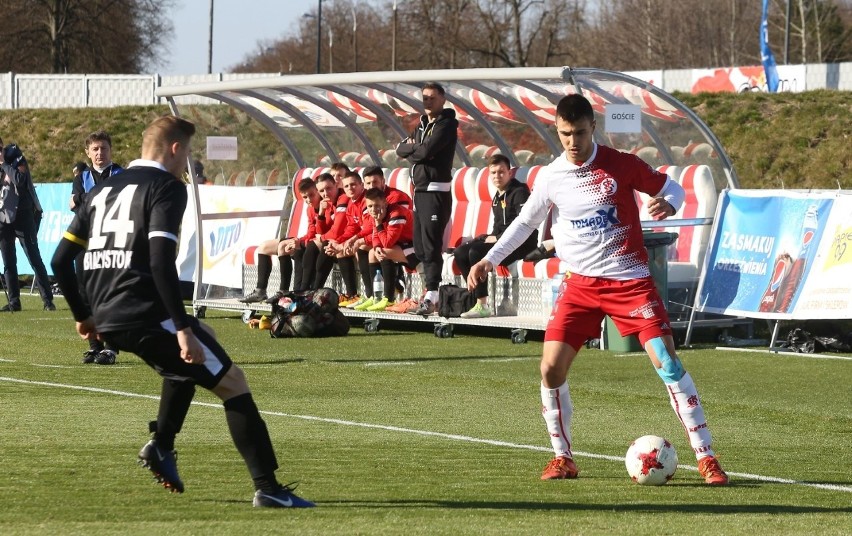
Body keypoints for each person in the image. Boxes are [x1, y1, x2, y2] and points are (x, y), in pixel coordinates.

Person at [50, 115, 313, 508]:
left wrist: (83, 314)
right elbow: (159, 263)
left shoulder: (103, 189)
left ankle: (162, 445)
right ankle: (269, 489)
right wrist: (180, 327)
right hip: (143, 310)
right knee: (232, 382)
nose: (186, 160)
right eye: (186, 152)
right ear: (175, 149)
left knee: (192, 351)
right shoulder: (167, 187)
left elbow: (60, 260)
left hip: (109, 313)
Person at [467, 94, 729, 486]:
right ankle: (563, 458)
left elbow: (672, 189)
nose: (573, 142)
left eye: (580, 133)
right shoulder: (552, 176)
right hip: (580, 286)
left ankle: (707, 458)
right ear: (557, 130)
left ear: (594, 128)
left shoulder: (620, 163)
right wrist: (490, 257)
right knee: (550, 368)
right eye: (565, 134)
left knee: (668, 363)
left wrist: (669, 204)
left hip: (630, 281)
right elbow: (524, 223)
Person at [396, 82, 458, 316]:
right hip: (419, 192)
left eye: (432, 98)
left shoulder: (447, 124)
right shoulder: (422, 124)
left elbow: (424, 151)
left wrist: (415, 150)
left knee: (431, 245)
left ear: (442, 99)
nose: (427, 102)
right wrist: (415, 149)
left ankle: (432, 295)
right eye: (425, 98)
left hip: (436, 191)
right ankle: (428, 292)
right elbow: (400, 149)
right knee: (420, 246)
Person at [454, 154, 538, 319]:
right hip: (503, 242)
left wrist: (497, 238)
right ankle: (476, 299)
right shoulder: (497, 197)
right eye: (493, 173)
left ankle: (483, 306)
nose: (497, 176)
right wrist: (489, 237)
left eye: (501, 172)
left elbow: (523, 227)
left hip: (521, 245)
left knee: (476, 253)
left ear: (509, 173)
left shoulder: (519, 192)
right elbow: (498, 225)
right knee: (460, 252)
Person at [71, 131, 125, 364]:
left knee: (111, 295)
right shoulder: (82, 176)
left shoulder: (121, 174)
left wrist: (86, 199)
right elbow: (74, 202)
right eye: (95, 149)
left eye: (103, 148)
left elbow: (119, 203)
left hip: (111, 242)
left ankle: (111, 348)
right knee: (86, 295)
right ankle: (95, 346)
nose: (100, 153)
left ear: (110, 150)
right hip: (85, 241)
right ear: (88, 152)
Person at [0, 138, 55, 312]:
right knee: (9, 262)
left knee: (34, 258)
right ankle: (14, 302)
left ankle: (48, 301)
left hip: (23, 215)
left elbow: (20, 180)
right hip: (3, 217)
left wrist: (3, 163)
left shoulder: (16, 157)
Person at [347, 187, 418, 312]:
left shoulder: (396, 213)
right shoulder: (378, 215)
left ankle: (388, 299)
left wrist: (379, 224)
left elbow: (388, 242)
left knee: (384, 252)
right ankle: (375, 297)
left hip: (418, 247)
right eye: (369, 206)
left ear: (385, 203)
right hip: (403, 246)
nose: (373, 209)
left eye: (376, 205)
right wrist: (376, 246)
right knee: (373, 253)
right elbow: (376, 236)